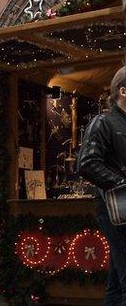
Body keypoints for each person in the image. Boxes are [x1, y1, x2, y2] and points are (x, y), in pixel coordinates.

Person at [77, 65, 126, 306]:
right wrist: (120, 183)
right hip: (115, 209)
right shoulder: (104, 122)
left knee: (117, 280)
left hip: (122, 208)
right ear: (123, 91)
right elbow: (86, 163)